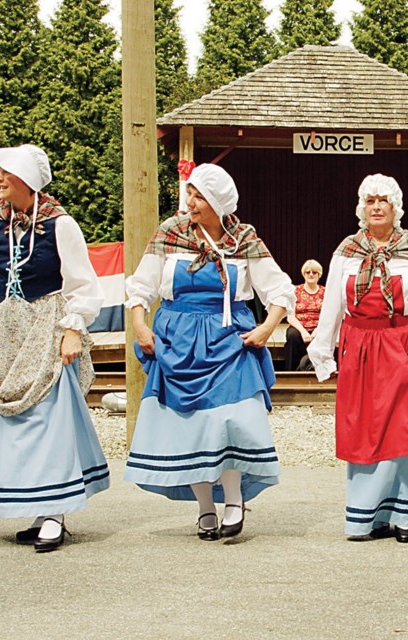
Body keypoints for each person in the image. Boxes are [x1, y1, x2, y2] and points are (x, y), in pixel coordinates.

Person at [123, 163, 295, 541]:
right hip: (178, 341)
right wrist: (140, 324)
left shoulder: (243, 239)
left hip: (228, 340)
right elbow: (141, 287)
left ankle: (234, 500)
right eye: (190, 193)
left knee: (231, 421)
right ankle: (205, 507)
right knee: (193, 427)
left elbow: (280, 290)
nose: (190, 201)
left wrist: (267, 328)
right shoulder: (170, 234)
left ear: (218, 202)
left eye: (199, 196)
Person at [0, 144, 109, 553]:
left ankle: (54, 513)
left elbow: (82, 283)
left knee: (48, 422)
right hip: (4, 328)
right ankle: (35, 508)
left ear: (26, 178)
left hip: (45, 325)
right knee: (7, 423)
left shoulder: (60, 224)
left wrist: (73, 329)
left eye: (6, 172)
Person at [307, 174, 408, 544]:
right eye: (370, 200)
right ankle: (368, 516)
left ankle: (407, 513)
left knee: (405, 427)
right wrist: (322, 350)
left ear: (395, 208)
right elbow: (333, 307)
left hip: (402, 343)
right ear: (362, 207)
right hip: (359, 347)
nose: (376, 207)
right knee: (364, 430)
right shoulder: (347, 250)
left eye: (383, 201)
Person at [284, 259, 325, 371]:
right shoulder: (295, 291)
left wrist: (317, 330)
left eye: (314, 272)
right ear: (304, 274)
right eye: (308, 272)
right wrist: (303, 331)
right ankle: (290, 373)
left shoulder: (325, 292)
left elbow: (327, 316)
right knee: (293, 336)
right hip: (300, 326)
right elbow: (290, 316)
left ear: (319, 274)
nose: (311, 274)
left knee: (324, 336)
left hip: (319, 327)